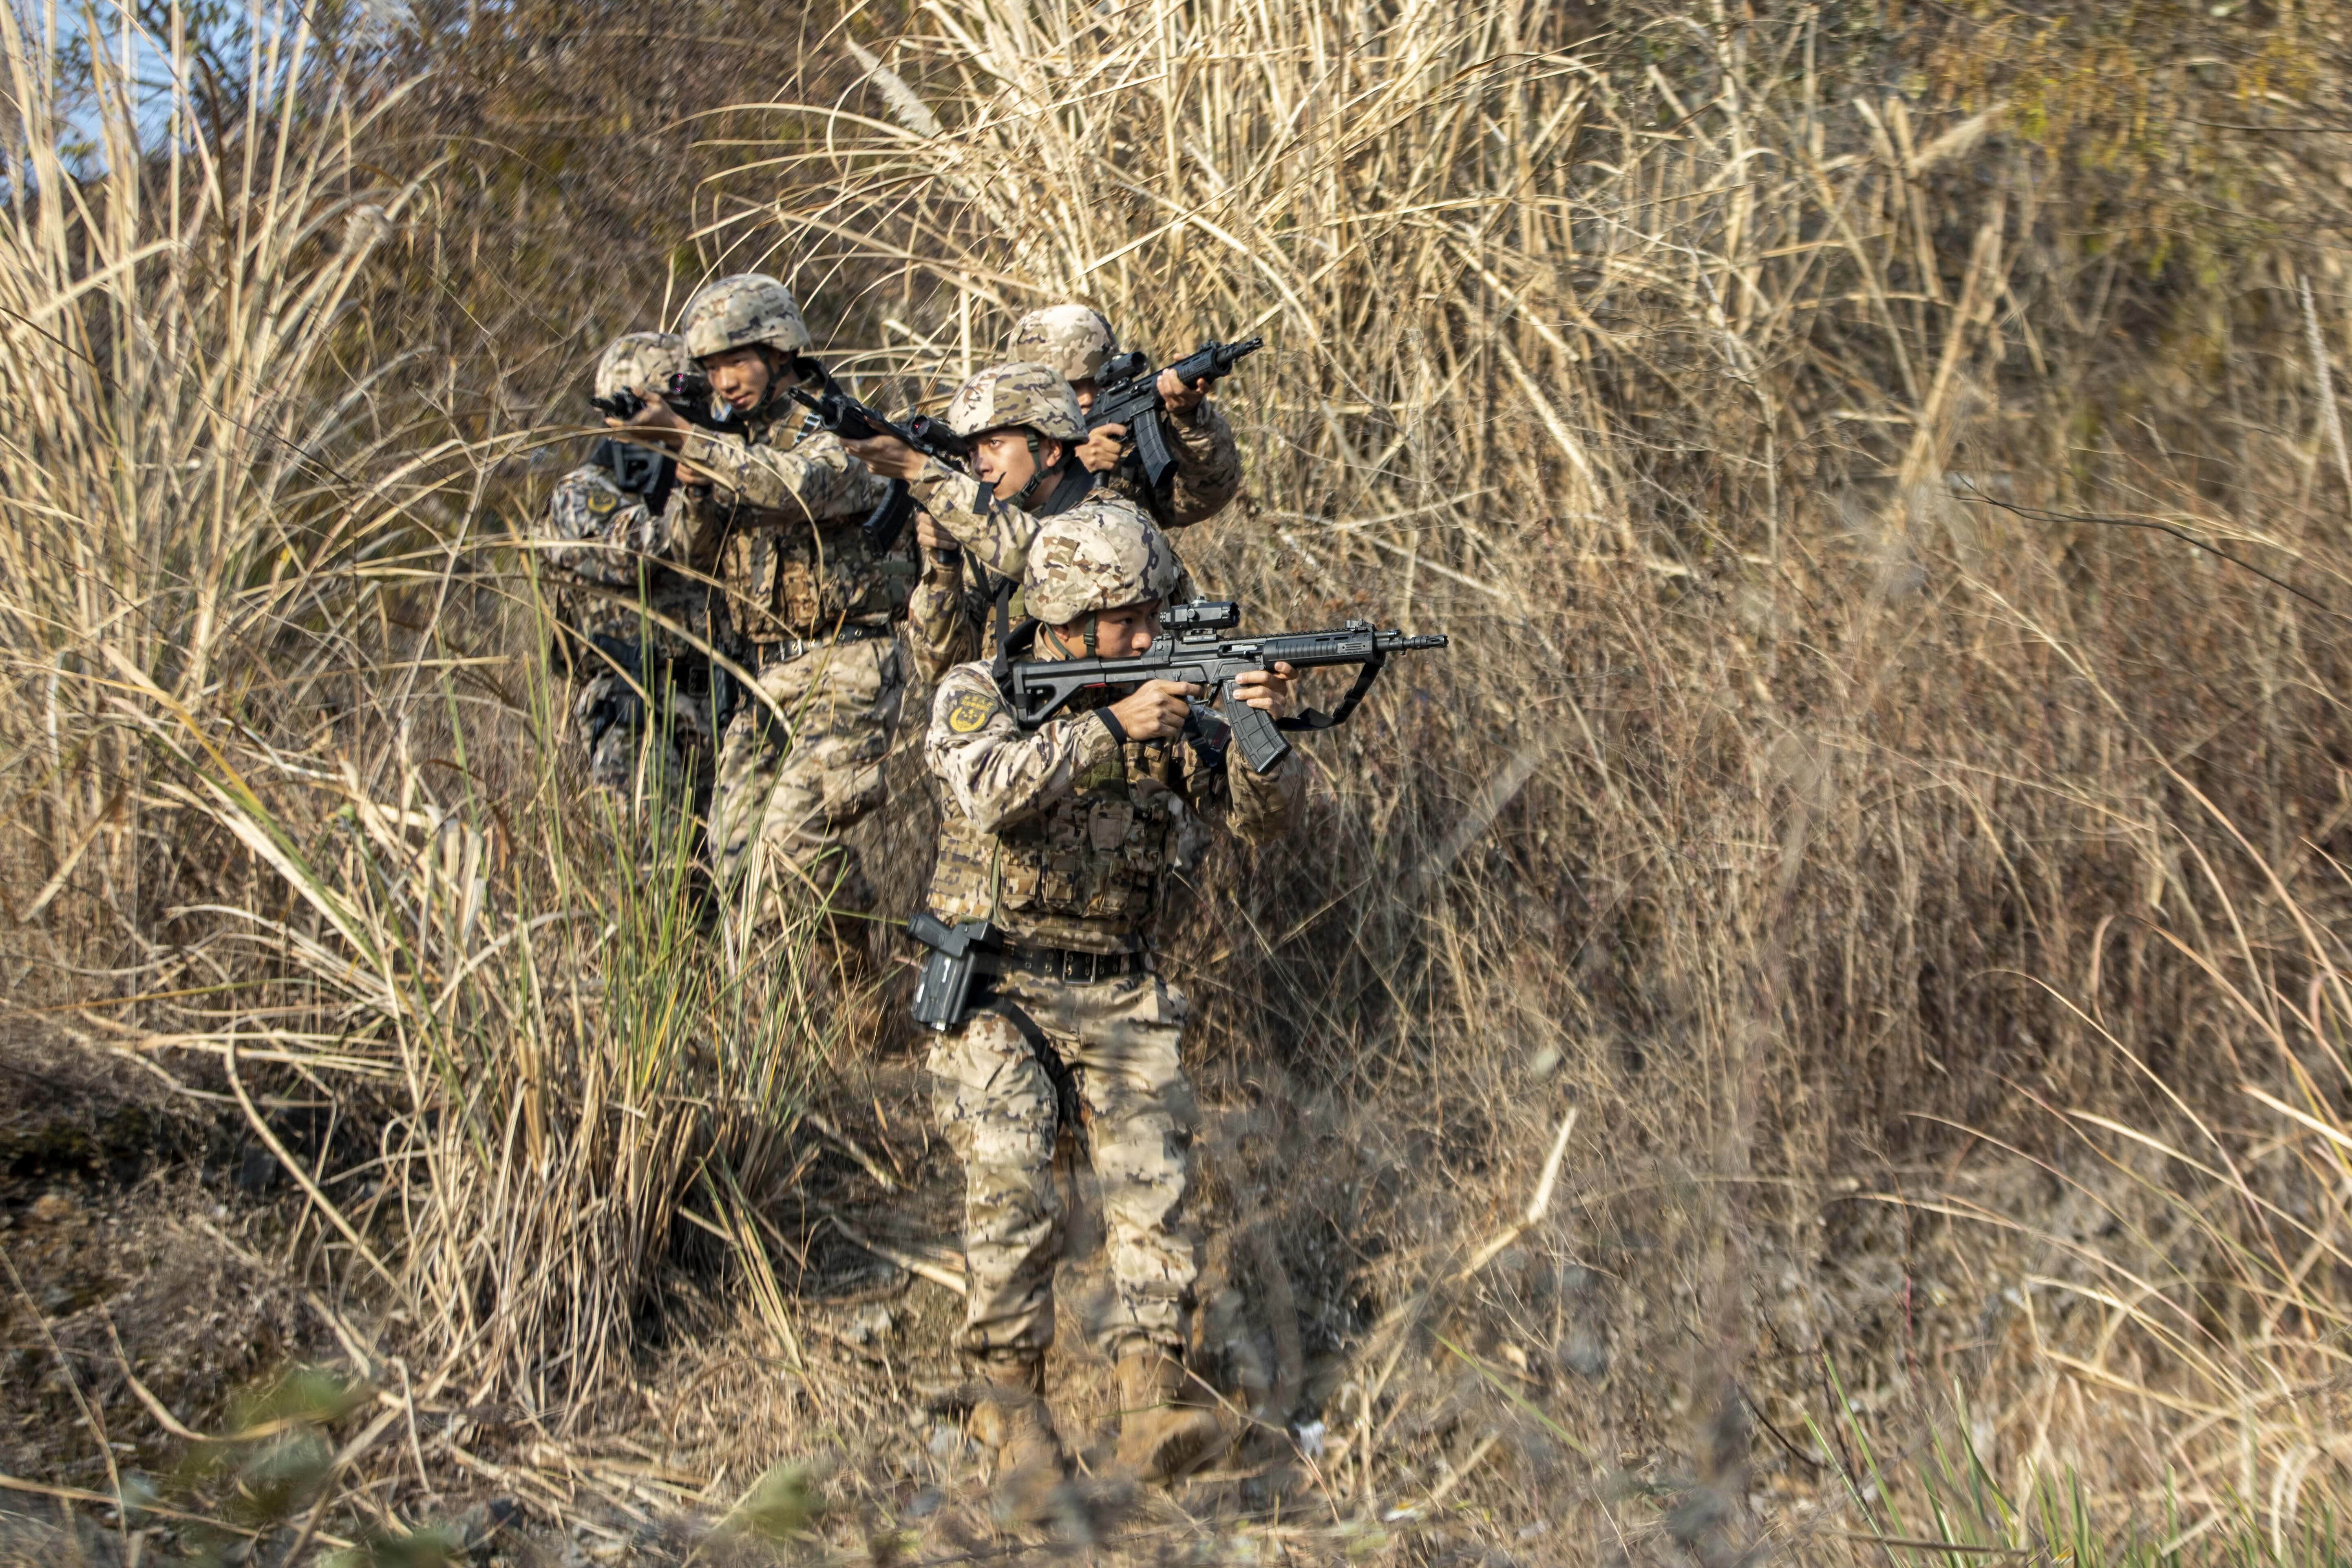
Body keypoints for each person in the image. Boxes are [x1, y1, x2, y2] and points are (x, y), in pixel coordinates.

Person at [917, 506, 1305, 1490]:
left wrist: (1256, 726)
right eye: (1126, 621)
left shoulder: (1164, 697)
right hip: (999, 986)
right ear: (1065, 614)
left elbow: (1260, 821)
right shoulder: (980, 690)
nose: (1145, 637)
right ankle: (1012, 1422)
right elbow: (987, 791)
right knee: (1012, 1200)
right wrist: (1107, 729)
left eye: (1152, 618)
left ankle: (1152, 1404)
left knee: (1154, 1199)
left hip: (1121, 985)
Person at [607, 274, 904, 963]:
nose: (724, 381)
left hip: (846, 664)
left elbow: (797, 488)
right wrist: (693, 486)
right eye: (710, 368)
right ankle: (785, 1014)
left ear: (779, 349)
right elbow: (687, 557)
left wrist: (694, 443)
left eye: (735, 361)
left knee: (792, 839)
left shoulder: (837, 426)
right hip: (765, 675)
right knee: (737, 853)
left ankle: (858, 972)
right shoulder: (726, 441)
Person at [544, 331, 720, 835]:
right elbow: (629, 555)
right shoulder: (583, 491)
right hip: (636, 707)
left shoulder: (713, 469)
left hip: (719, 702)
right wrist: (694, 495)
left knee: (732, 869)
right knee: (655, 864)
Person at [1007, 303, 1242, 530]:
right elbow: (997, 538)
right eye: (1070, 388)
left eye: (1099, 383)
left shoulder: (1121, 442)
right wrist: (1070, 474)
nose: (1088, 397)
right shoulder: (995, 453)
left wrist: (1190, 420)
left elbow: (1196, 502)